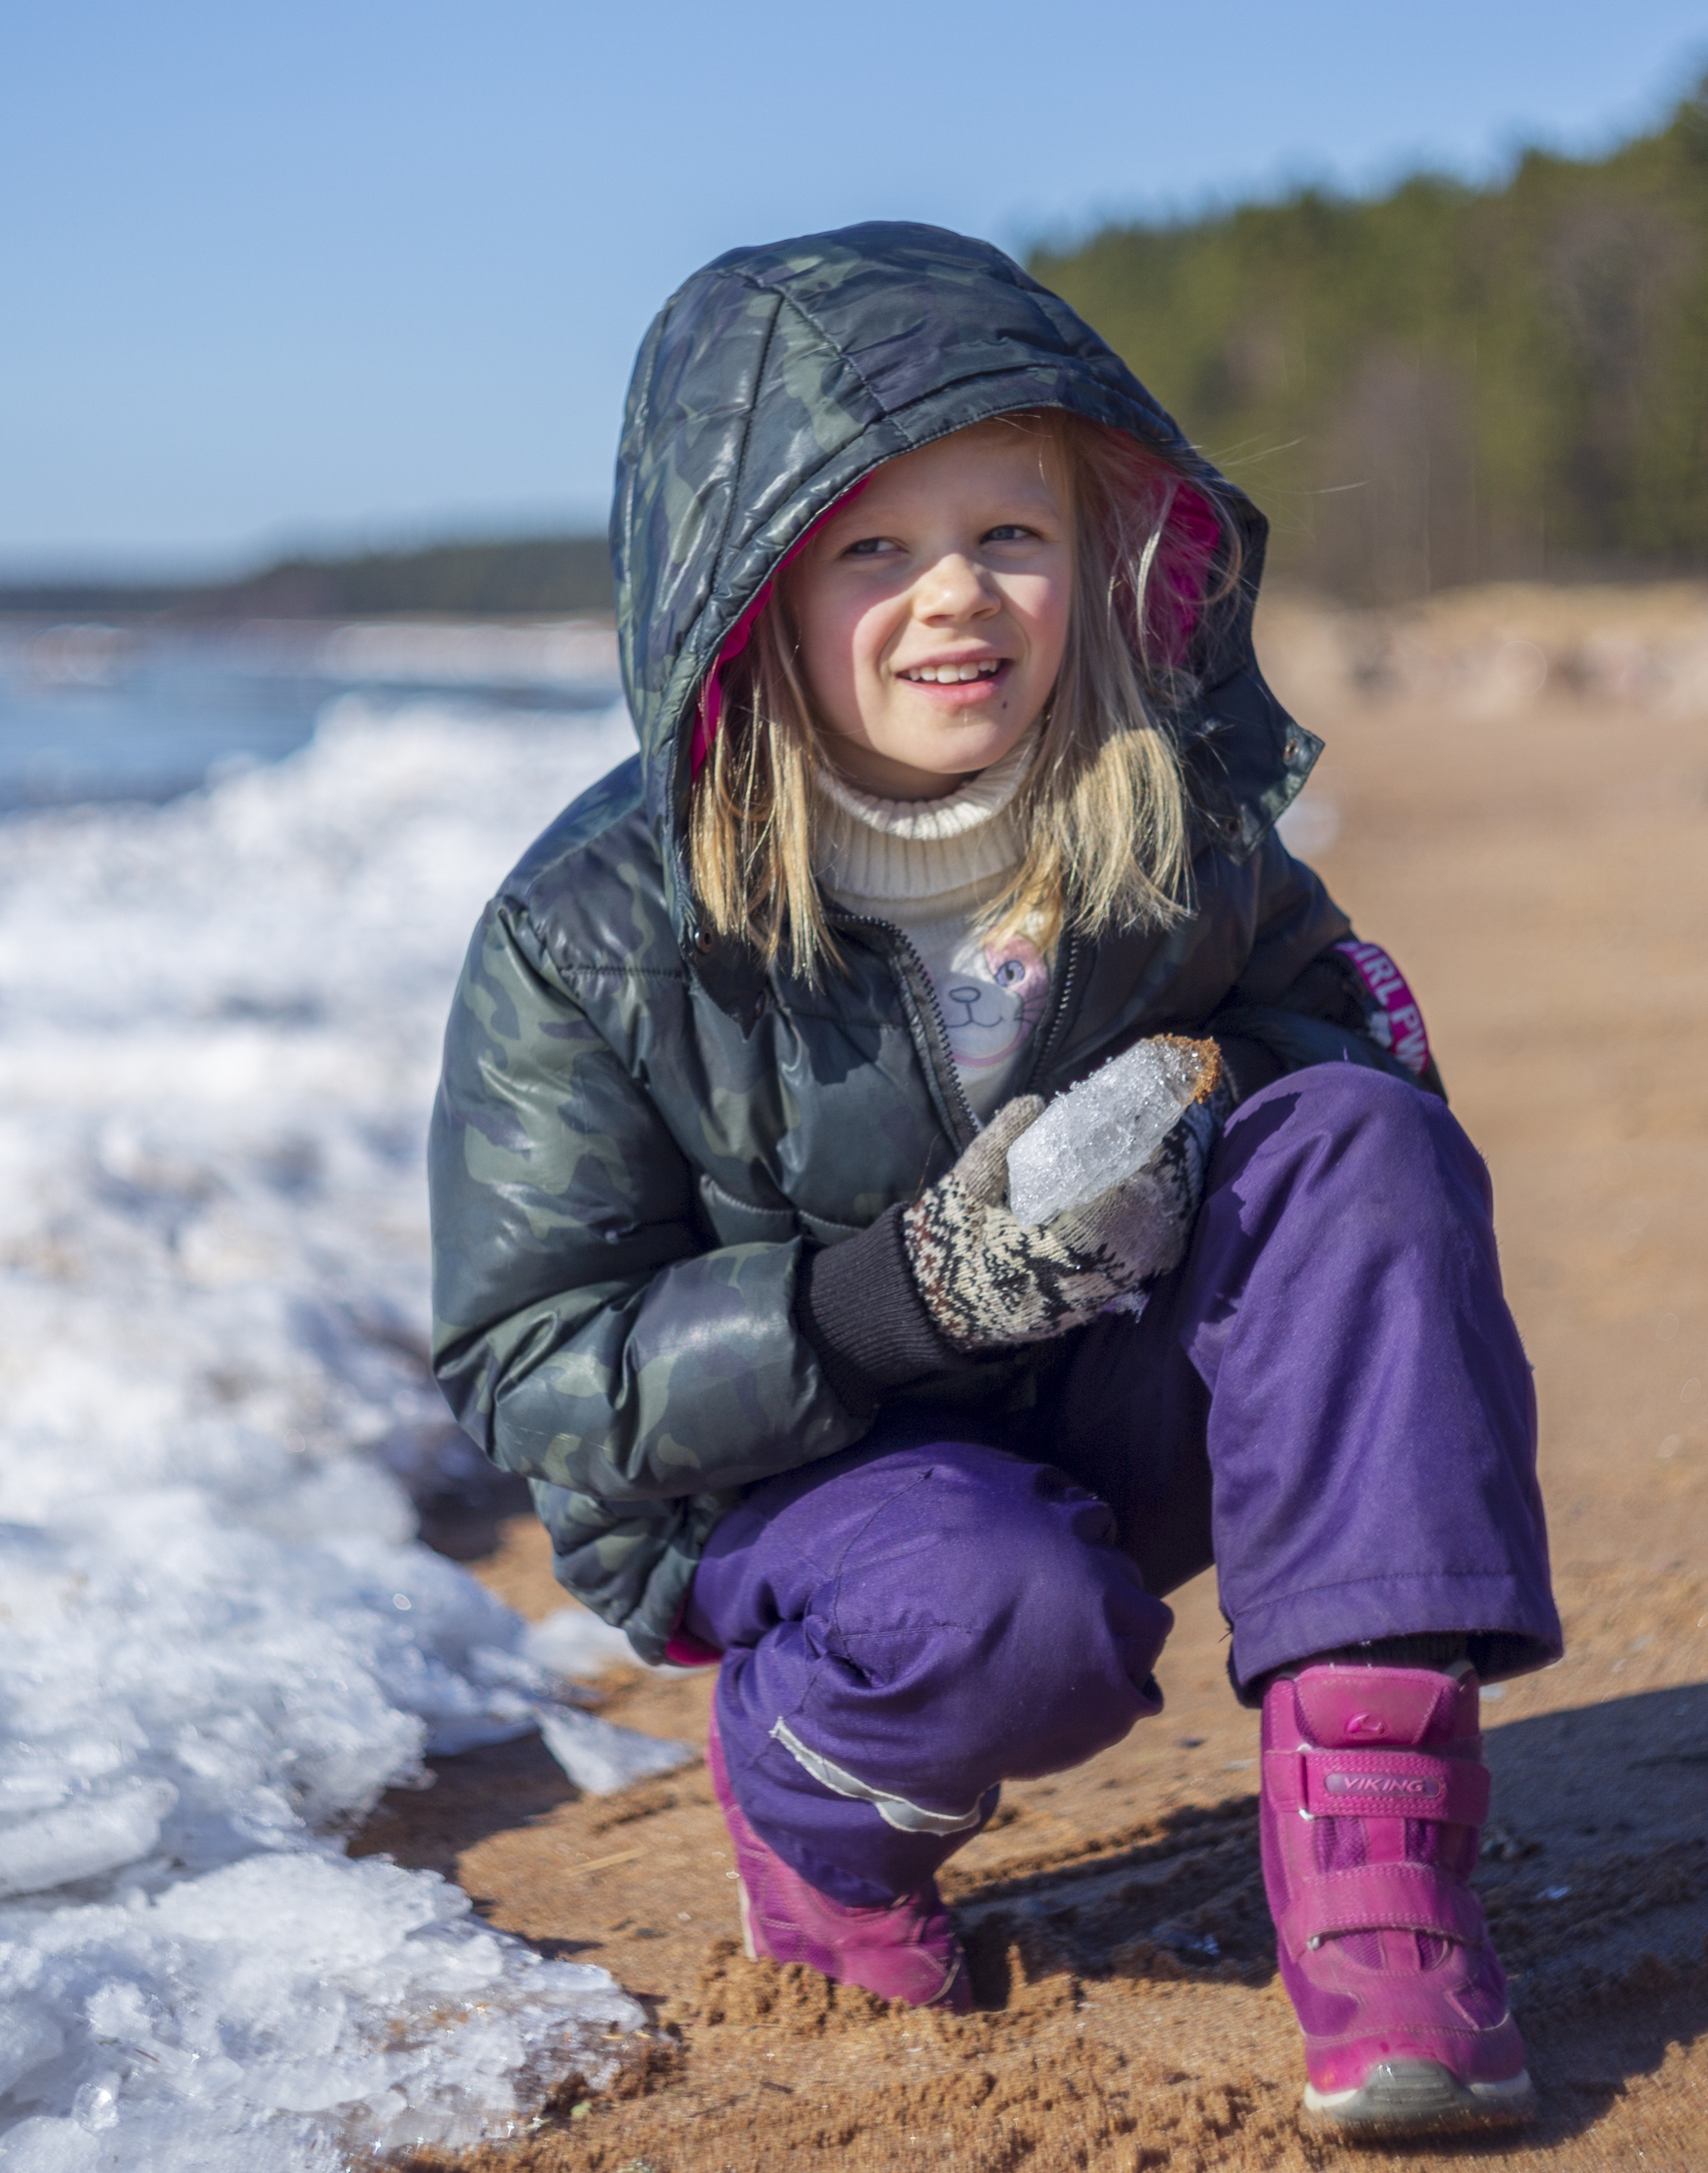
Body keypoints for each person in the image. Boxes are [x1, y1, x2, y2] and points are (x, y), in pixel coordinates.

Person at [428, 222, 1559, 2130]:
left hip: (1102, 1380)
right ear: (749, 591)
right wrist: (897, 1293)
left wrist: (1188, 1106)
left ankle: (1380, 1872)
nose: (954, 598)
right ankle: (816, 1815)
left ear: (1098, 548)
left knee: (1367, 1149)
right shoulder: (587, 934)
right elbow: (530, 1360)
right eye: (873, 547)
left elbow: (1340, 1061)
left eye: (1007, 535)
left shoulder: (1162, 811)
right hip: (793, 1481)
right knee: (1010, 1610)